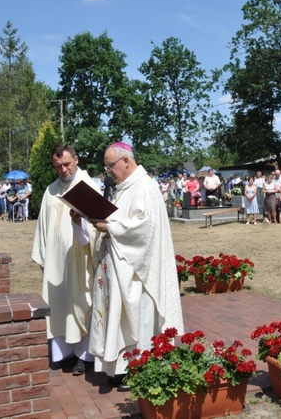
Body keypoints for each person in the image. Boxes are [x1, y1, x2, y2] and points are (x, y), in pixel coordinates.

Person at [85, 142, 184, 388]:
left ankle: (139, 368)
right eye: (106, 166)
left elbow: (145, 228)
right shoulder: (122, 187)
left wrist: (110, 227)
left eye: (110, 165)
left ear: (126, 161)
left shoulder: (146, 186)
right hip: (119, 264)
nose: (108, 171)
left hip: (139, 272)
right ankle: (119, 366)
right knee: (119, 318)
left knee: (139, 320)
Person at [31, 144, 101, 376]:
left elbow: (99, 226)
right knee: (59, 303)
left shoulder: (89, 187)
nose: (63, 169)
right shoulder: (50, 191)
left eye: (67, 164)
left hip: (81, 258)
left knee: (81, 303)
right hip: (56, 260)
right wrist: (43, 256)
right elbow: (42, 226)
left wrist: (80, 224)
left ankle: (84, 355)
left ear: (77, 160)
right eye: (58, 166)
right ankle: (63, 353)